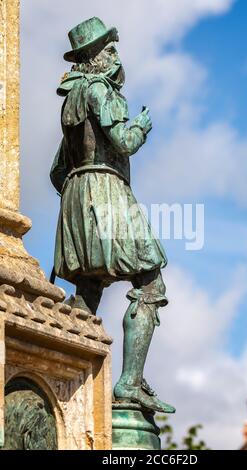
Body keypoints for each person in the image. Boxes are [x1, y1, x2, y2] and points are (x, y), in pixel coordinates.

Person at [50, 17, 175, 414]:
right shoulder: (102, 91)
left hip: (76, 196)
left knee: (88, 291)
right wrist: (141, 126)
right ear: (94, 57)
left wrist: (80, 206)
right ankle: (129, 383)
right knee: (151, 283)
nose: (116, 56)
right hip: (106, 191)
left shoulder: (71, 101)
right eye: (109, 49)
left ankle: (63, 387)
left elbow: (56, 171)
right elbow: (123, 141)